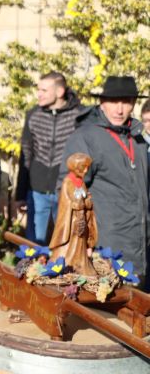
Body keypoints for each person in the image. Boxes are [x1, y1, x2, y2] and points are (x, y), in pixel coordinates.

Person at [58, 75, 149, 287]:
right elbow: (69, 194)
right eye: (113, 102)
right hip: (106, 251)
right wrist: (80, 242)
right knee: (106, 318)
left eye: (126, 102)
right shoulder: (85, 138)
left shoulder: (138, 140)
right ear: (102, 102)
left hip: (140, 250)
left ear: (134, 103)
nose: (119, 109)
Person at [15, 72, 84, 244]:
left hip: (67, 191)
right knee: (35, 245)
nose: (38, 94)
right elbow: (26, 154)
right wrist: (20, 194)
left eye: (44, 90)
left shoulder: (80, 115)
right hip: (37, 191)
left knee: (66, 243)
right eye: (38, 89)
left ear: (59, 92)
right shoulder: (33, 115)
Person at [49, 153, 97, 276]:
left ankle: (81, 265)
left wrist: (87, 201)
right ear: (75, 167)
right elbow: (65, 201)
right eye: (83, 167)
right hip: (71, 223)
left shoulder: (81, 183)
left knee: (80, 245)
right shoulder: (67, 182)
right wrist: (75, 204)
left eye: (87, 167)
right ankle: (66, 265)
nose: (86, 170)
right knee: (69, 247)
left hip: (81, 221)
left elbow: (85, 197)